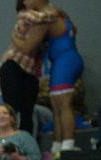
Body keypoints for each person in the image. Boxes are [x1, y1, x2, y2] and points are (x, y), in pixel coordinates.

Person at [19, 1, 83, 152]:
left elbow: (27, 46)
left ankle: (68, 144)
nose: (25, 2)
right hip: (64, 60)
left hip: (65, 61)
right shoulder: (57, 13)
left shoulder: (47, 18)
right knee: (55, 105)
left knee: (63, 104)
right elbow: (72, 30)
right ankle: (58, 145)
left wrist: (13, 37)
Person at [0, 2, 44, 136]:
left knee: (27, 112)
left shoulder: (40, 19)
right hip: (15, 66)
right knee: (12, 111)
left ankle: (25, 146)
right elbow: (27, 46)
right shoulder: (26, 16)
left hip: (29, 71)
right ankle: (11, 144)